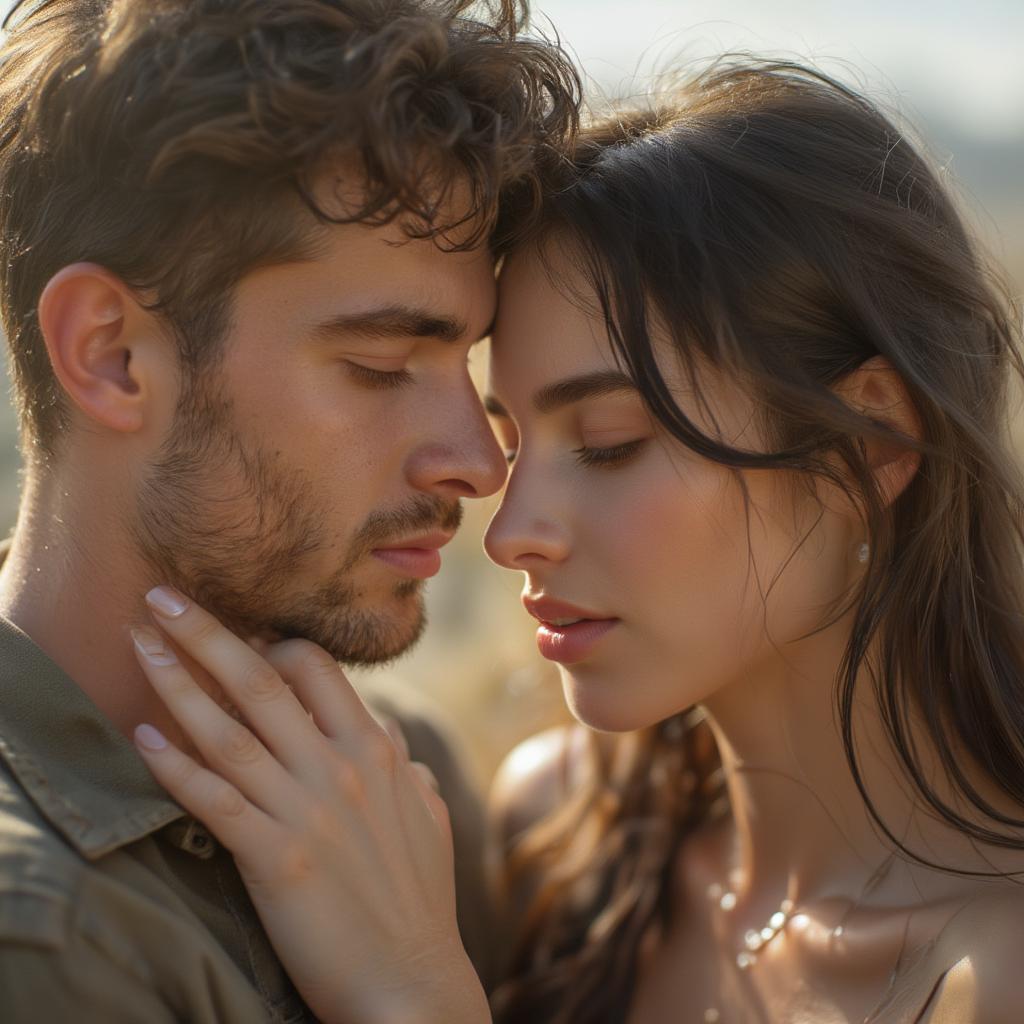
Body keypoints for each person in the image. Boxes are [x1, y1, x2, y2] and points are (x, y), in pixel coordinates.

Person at [131, 58, 1024, 1023]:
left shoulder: (991, 971)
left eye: (609, 445)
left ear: (868, 446)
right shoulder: (550, 839)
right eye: (511, 443)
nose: (511, 534)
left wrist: (412, 995)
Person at [0, 0, 579, 1020]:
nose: (482, 464)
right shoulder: (41, 934)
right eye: (380, 366)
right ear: (110, 354)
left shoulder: (392, 780)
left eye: (468, 365)